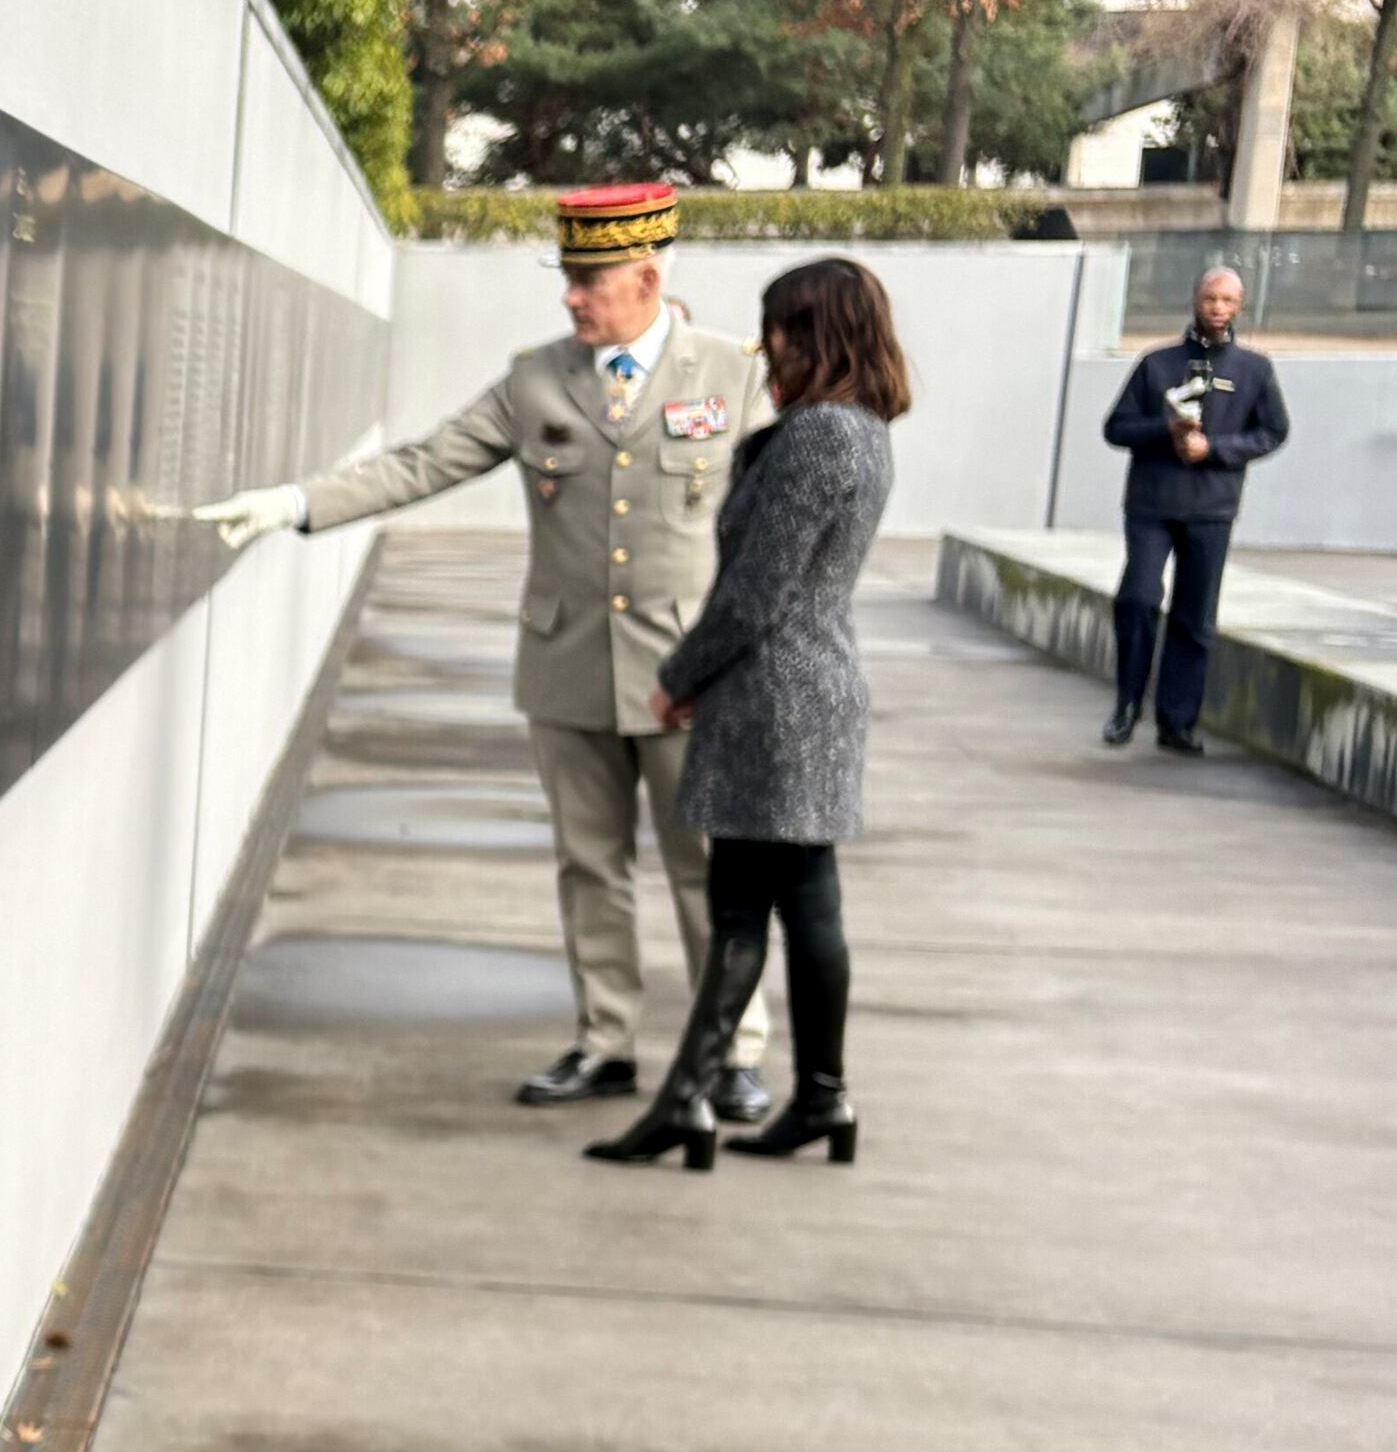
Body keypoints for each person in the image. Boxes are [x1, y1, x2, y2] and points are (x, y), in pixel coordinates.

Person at [198, 179, 774, 1121]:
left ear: (647, 277)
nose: (571, 298)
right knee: (590, 867)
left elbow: (775, 528)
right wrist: (295, 504)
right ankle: (606, 1042)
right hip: (569, 668)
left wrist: (751, 657)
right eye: (568, 279)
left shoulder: (731, 375)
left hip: (692, 676)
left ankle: (733, 1051)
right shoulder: (535, 379)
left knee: (712, 871)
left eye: (589, 281)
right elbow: (424, 462)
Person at [587, 258, 904, 1171]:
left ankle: (687, 1104)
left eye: (781, 328)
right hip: (809, 690)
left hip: (774, 698)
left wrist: (680, 674)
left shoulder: (817, 437)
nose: (768, 346)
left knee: (739, 911)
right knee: (806, 901)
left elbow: (757, 591)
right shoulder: (862, 430)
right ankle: (821, 1098)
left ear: (818, 334)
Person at [1097, 264, 1289, 753]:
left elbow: (1273, 431)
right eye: (1211, 299)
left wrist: (1216, 449)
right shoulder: (1157, 363)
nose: (1218, 309)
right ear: (1195, 300)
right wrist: (1166, 430)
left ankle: (1177, 722)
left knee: (1195, 616)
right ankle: (1127, 705)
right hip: (1153, 503)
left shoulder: (1254, 370)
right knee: (1138, 598)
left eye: (1228, 301)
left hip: (1212, 507)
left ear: (1239, 306)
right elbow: (1116, 427)